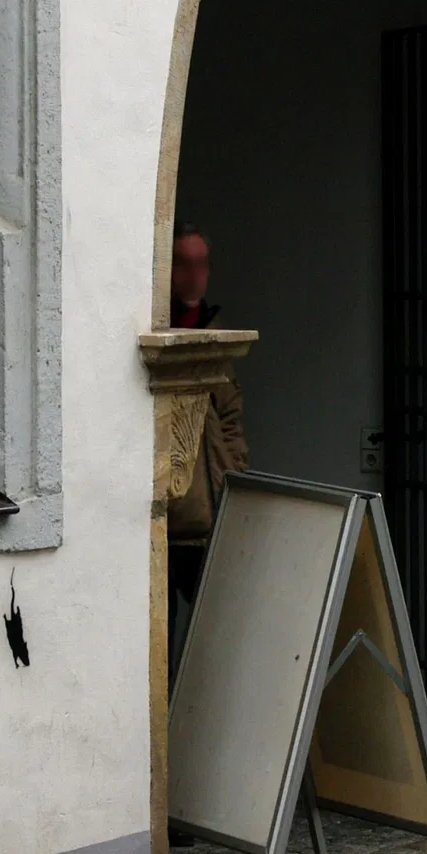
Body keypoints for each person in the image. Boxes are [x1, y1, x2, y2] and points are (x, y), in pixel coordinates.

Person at [166, 224, 248, 681]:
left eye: (202, 264)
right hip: (165, 521)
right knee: (160, 653)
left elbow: (232, 420)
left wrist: (234, 475)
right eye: (183, 263)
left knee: (214, 648)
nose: (194, 276)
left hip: (208, 521)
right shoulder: (158, 331)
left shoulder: (216, 336)